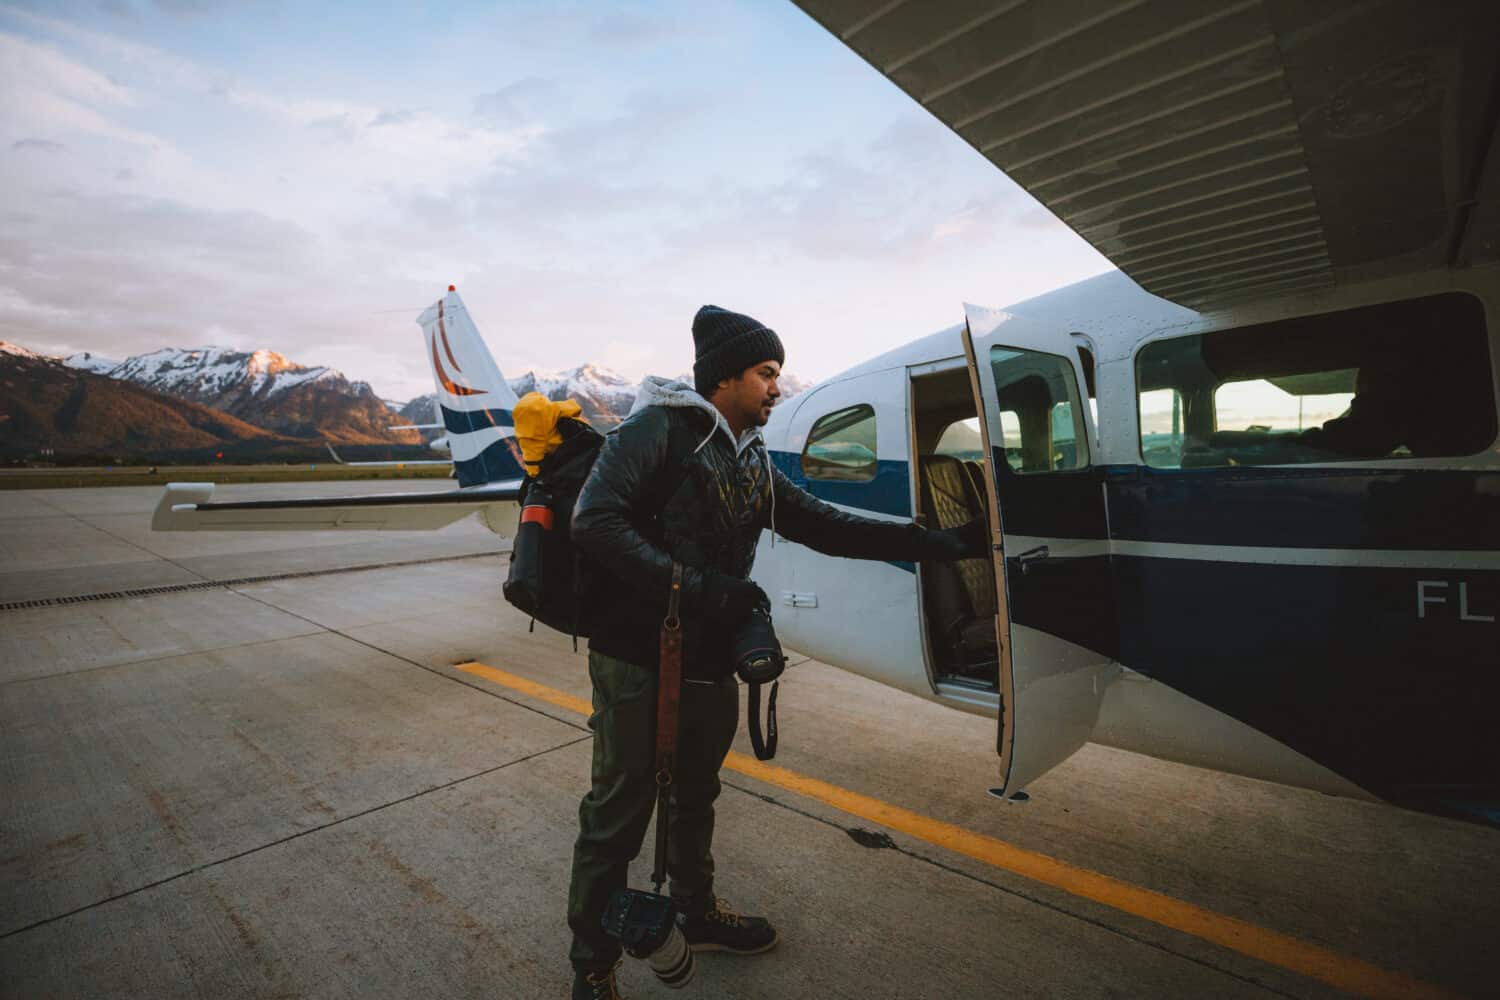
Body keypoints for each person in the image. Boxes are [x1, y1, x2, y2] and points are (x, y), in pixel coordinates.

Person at [566, 305, 984, 999]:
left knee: (697, 793)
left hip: (707, 653)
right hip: (640, 656)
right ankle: (591, 961)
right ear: (724, 377)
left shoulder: (750, 455)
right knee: (618, 810)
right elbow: (594, 521)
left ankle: (695, 914)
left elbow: (822, 523)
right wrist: (697, 586)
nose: (777, 389)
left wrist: (931, 542)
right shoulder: (655, 432)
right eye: (766, 374)